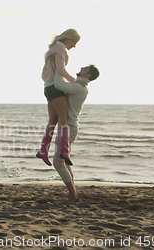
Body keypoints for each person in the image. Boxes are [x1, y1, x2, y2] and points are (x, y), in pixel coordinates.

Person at [36, 28, 87, 167]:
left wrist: (50, 82)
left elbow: (43, 73)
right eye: (75, 43)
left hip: (47, 87)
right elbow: (60, 70)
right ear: (69, 39)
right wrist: (75, 81)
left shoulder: (52, 48)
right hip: (55, 87)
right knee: (63, 119)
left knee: (52, 120)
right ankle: (64, 151)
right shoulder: (59, 48)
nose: (74, 46)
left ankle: (43, 150)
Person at [52, 65, 100, 202]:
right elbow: (63, 84)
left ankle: (73, 195)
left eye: (85, 68)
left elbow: (58, 84)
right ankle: (73, 194)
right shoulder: (78, 85)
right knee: (64, 164)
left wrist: (58, 68)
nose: (81, 67)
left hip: (68, 128)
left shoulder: (79, 88)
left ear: (88, 75)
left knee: (58, 162)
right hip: (68, 127)